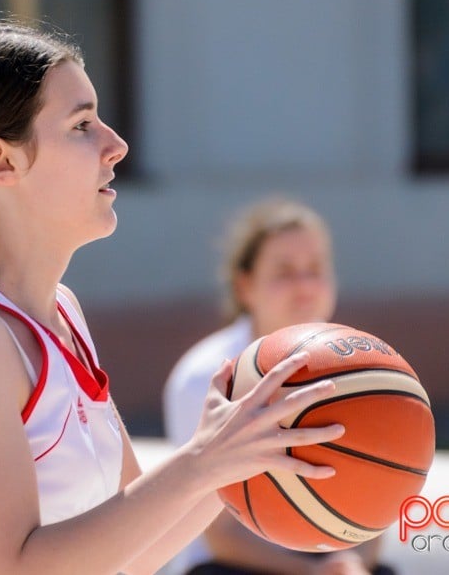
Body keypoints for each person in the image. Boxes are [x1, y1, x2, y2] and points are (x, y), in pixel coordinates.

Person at [0, 19, 346, 574]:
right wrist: (203, 460)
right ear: (1, 161)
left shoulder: (57, 309)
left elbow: (134, 555)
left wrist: (233, 458)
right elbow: (14, 568)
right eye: (81, 125)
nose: (116, 145)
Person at [163, 198, 395, 575]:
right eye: (285, 272)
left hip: (328, 556)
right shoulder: (207, 378)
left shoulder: (361, 371)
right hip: (229, 564)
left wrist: (353, 565)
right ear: (245, 287)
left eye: (315, 269)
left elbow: (382, 492)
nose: (304, 286)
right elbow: (216, 531)